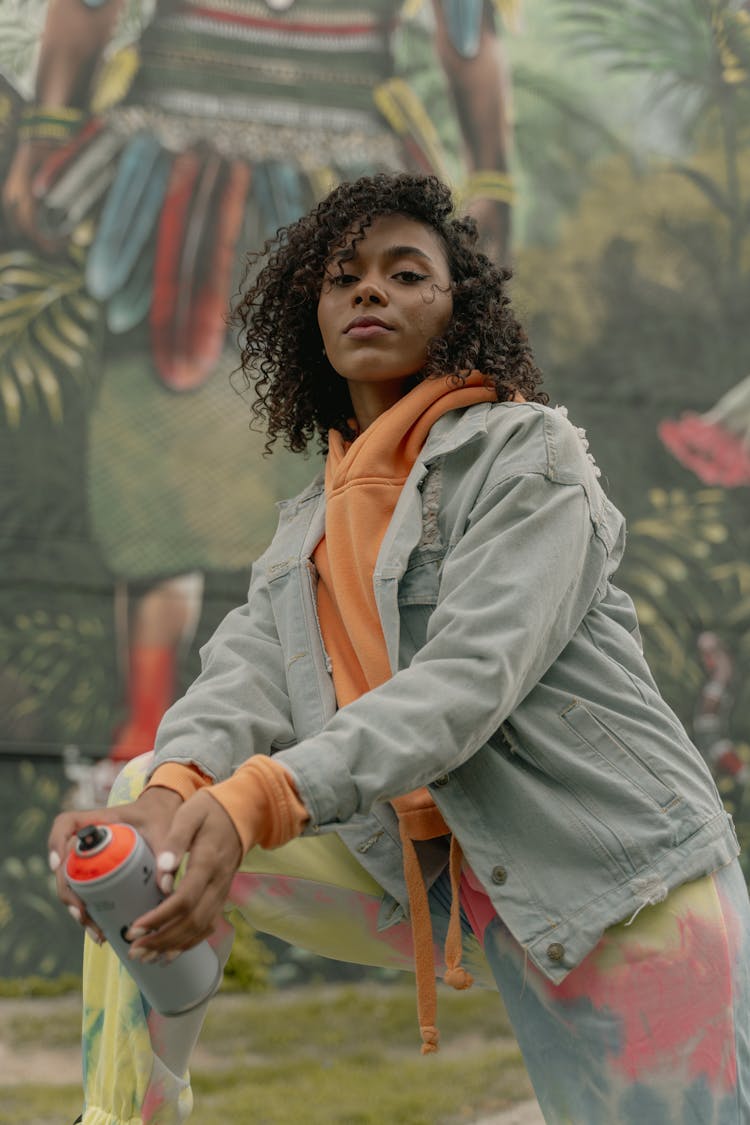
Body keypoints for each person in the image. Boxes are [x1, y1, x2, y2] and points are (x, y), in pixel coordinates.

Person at [49, 172, 749, 1125]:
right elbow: (238, 682)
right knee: (142, 810)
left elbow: (466, 681)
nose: (369, 290)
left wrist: (263, 794)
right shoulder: (308, 528)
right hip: (441, 881)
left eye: (404, 271)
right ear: (315, 315)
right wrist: (179, 794)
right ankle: (130, 1114)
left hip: (621, 889)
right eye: (344, 277)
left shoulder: (530, 457)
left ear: (459, 306)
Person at [2, 0, 515, 773]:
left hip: (347, 186)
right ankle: (143, 732)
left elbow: (468, 33)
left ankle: (323, 741)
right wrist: (44, 137)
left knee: (335, 464)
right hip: (170, 182)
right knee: (154, 447)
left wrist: (493, 179)